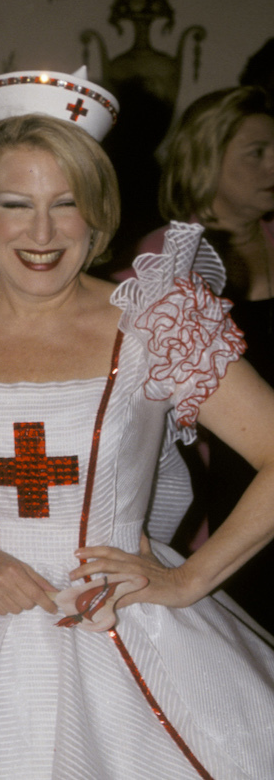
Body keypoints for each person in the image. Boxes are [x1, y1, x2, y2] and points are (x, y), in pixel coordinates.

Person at [0, 71, 274, 778]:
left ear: (99, 213)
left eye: (67, 204)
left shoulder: (156, 321)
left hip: (128, 628)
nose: (43, 232)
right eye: (16, 204)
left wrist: (185, 581)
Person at [127, 85, 274, 631]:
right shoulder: (167, 257)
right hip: (217, 485)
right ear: (206, 157)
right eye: (255, 152)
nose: (273, 165)